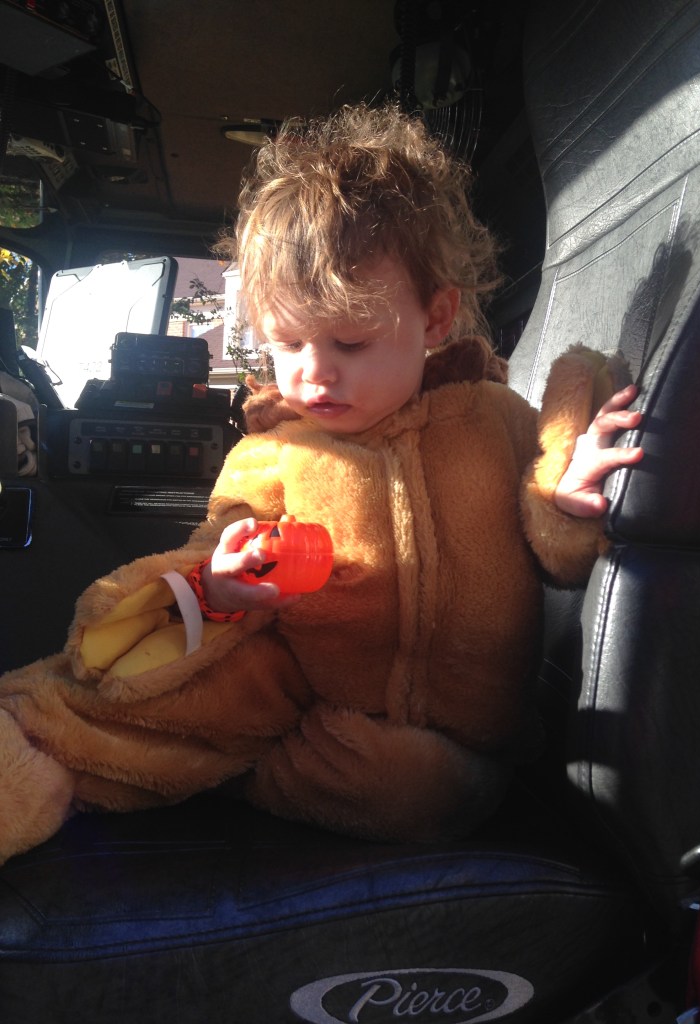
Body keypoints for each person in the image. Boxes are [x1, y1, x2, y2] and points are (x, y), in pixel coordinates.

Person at [0, 103, 642, 864]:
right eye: (288, 342)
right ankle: (33, 745)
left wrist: (565, 499)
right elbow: (215, 549)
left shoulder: (492, 420)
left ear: (436, 318)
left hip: (456, 735)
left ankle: (236, 777)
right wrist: (223, 582)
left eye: (350, 341)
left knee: (415, 787)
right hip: (297, 683)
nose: (313, 373)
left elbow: (558, 551)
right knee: (135, 702)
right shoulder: (272, 452)